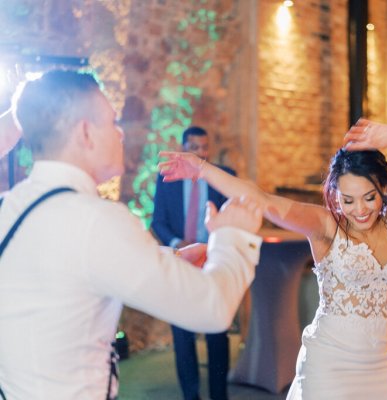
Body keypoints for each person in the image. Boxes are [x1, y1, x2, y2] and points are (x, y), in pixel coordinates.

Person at [0, 70, 264, 400]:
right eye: (112, 122)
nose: (121, 134)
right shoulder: (96, 220)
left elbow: (66, 269)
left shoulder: (9, 206)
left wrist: (169, 259)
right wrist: (233, 236)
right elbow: (213, 309)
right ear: (86, 132)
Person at [158, 118, 387, 399]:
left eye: (369, 197)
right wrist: (202, 169)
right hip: (330, 366)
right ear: (335, 195)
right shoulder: (326, 225)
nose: (360, 210)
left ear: (383, 187)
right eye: (348, 200)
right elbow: (262, 200)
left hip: (381, 369)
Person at [151, 126, 235, 400]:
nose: (201, 153)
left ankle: (219, 395)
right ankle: (191, 396)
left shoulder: (224, 178)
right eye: (195, 147)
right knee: (182, 335)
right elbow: (157, 222)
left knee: (217, 333)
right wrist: (176, 244)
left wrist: (213, 248)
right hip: (180, 263)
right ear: (185, 147)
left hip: (213, 264)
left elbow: (232, 220)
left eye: (204, 147)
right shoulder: (168, 178)